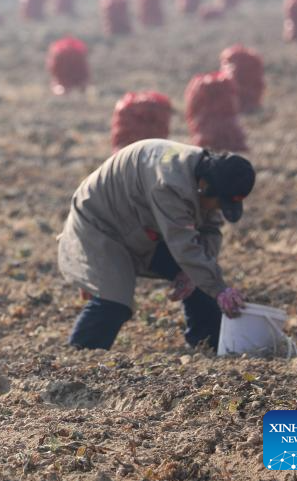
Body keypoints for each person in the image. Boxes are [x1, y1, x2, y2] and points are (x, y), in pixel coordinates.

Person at [57, 139, 256, 351]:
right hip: (102, 223)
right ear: (204, 186)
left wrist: (200, 276)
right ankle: (80, 356)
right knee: (114, 301)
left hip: (142, 224)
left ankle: (208, 344)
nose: (217, 208)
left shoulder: (209, 174)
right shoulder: (169, 185)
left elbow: (210, 230)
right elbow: (183, 243)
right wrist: (219, 288)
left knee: (200, 276)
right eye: (219, 203)